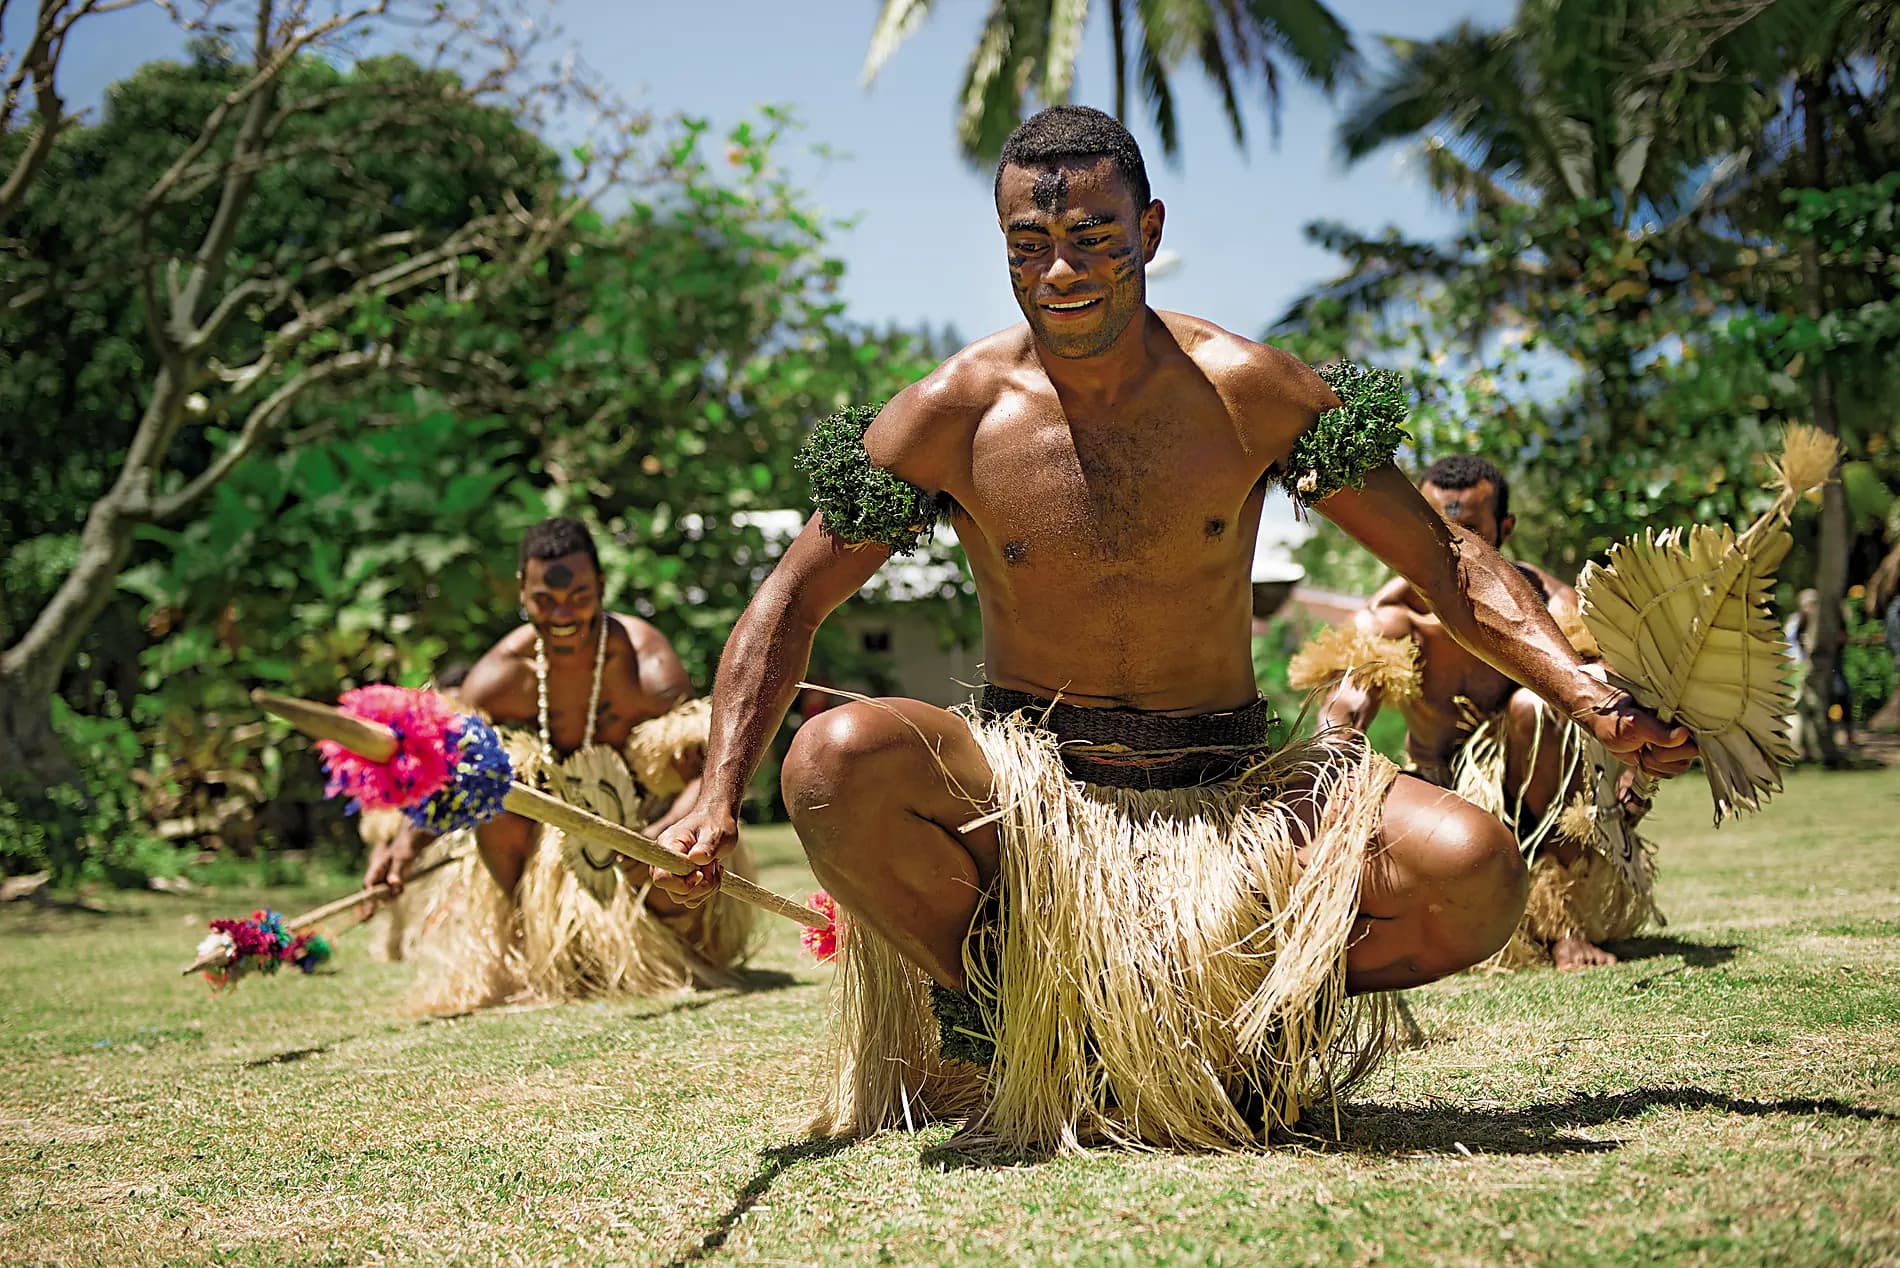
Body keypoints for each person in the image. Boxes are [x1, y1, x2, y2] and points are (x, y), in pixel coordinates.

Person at [649, 107, 1692, 1154]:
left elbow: (1444, 558)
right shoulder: (952, 412)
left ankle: (1244, 1022)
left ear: (1147, 229)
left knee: (1474, 869)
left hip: (1229, 791)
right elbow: (791, 598)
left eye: (1093, 238)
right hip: (1029, 800)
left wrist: (1587, 694)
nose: (1060, 271)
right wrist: (710, 796)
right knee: (833, 761)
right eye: (1030, 243)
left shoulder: (1246, 391)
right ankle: (1021, 1011)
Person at [362, 516, 755, 1009]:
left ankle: (673, 955)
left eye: (580, 596)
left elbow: (707, 771)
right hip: (557, 850)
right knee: (494, 804)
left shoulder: (645, 664)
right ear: (522, 591)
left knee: (667, 858)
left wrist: (664, 831)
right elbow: (453, 773)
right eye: (545, 600)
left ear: (602, 586)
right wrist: (404, 845)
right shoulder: (503, 676)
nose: (563, 613)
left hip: (647, 834)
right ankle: (544, 955)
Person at [1312, 454, 1659, 971]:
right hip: (1444, 795)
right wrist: (1329, 786)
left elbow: (1618, 695)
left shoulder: (1550, 607)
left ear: (1505, 528)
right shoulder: (1391, 617)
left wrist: (1639, 769)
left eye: (1469, 528)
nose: (1448, 543)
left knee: (1535, 705)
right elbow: (1344, 712)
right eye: (1432, 525)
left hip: (1540, 796)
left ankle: (1564, 924)